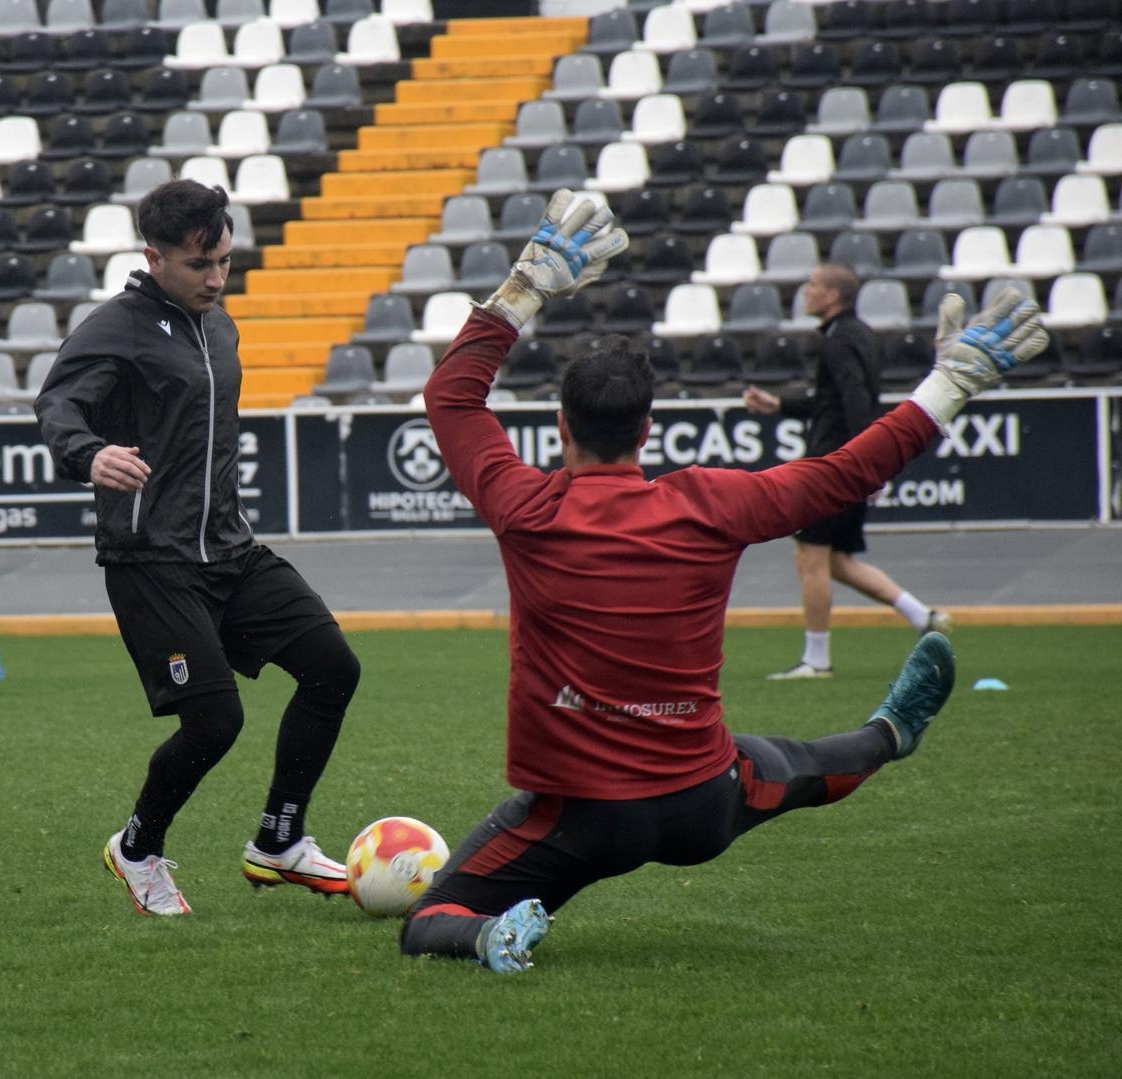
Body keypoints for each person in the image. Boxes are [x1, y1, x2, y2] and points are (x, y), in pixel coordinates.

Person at [399, 189, 1046, 973]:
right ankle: (893, 732)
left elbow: (449, 396)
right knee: (797, 768)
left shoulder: (527, 506)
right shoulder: (713, 502)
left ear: (562, 428)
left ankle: (491, 936)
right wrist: (951, 384)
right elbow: (847, 471)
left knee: (435, 912)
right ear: (647, 431)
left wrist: (526, 287)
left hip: (585, 818)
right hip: (702, 800)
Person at [34, 180, 360, 917]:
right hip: (150, 559)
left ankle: (279, 840)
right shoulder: (113, 327)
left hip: (230, 551)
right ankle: (138, 847)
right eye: (198, 263)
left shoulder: (220, 324)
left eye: (224, 260)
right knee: (216, 721)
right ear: (154, 257)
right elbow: (58, 405)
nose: (215, 277)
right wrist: (89, 454)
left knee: (333, 668)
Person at [743, 263, 952, 680]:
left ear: (833, 297)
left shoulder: (840, 342)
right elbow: (832, 401)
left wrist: (867, 466)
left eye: (814, 285)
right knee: (835, 562)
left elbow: (858, 404)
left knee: (810, 556)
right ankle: (923, 616)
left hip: (834, 467)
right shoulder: (853, 335)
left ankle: (817, 661)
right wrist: (779, 405)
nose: (806, 290)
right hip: (848, 463)